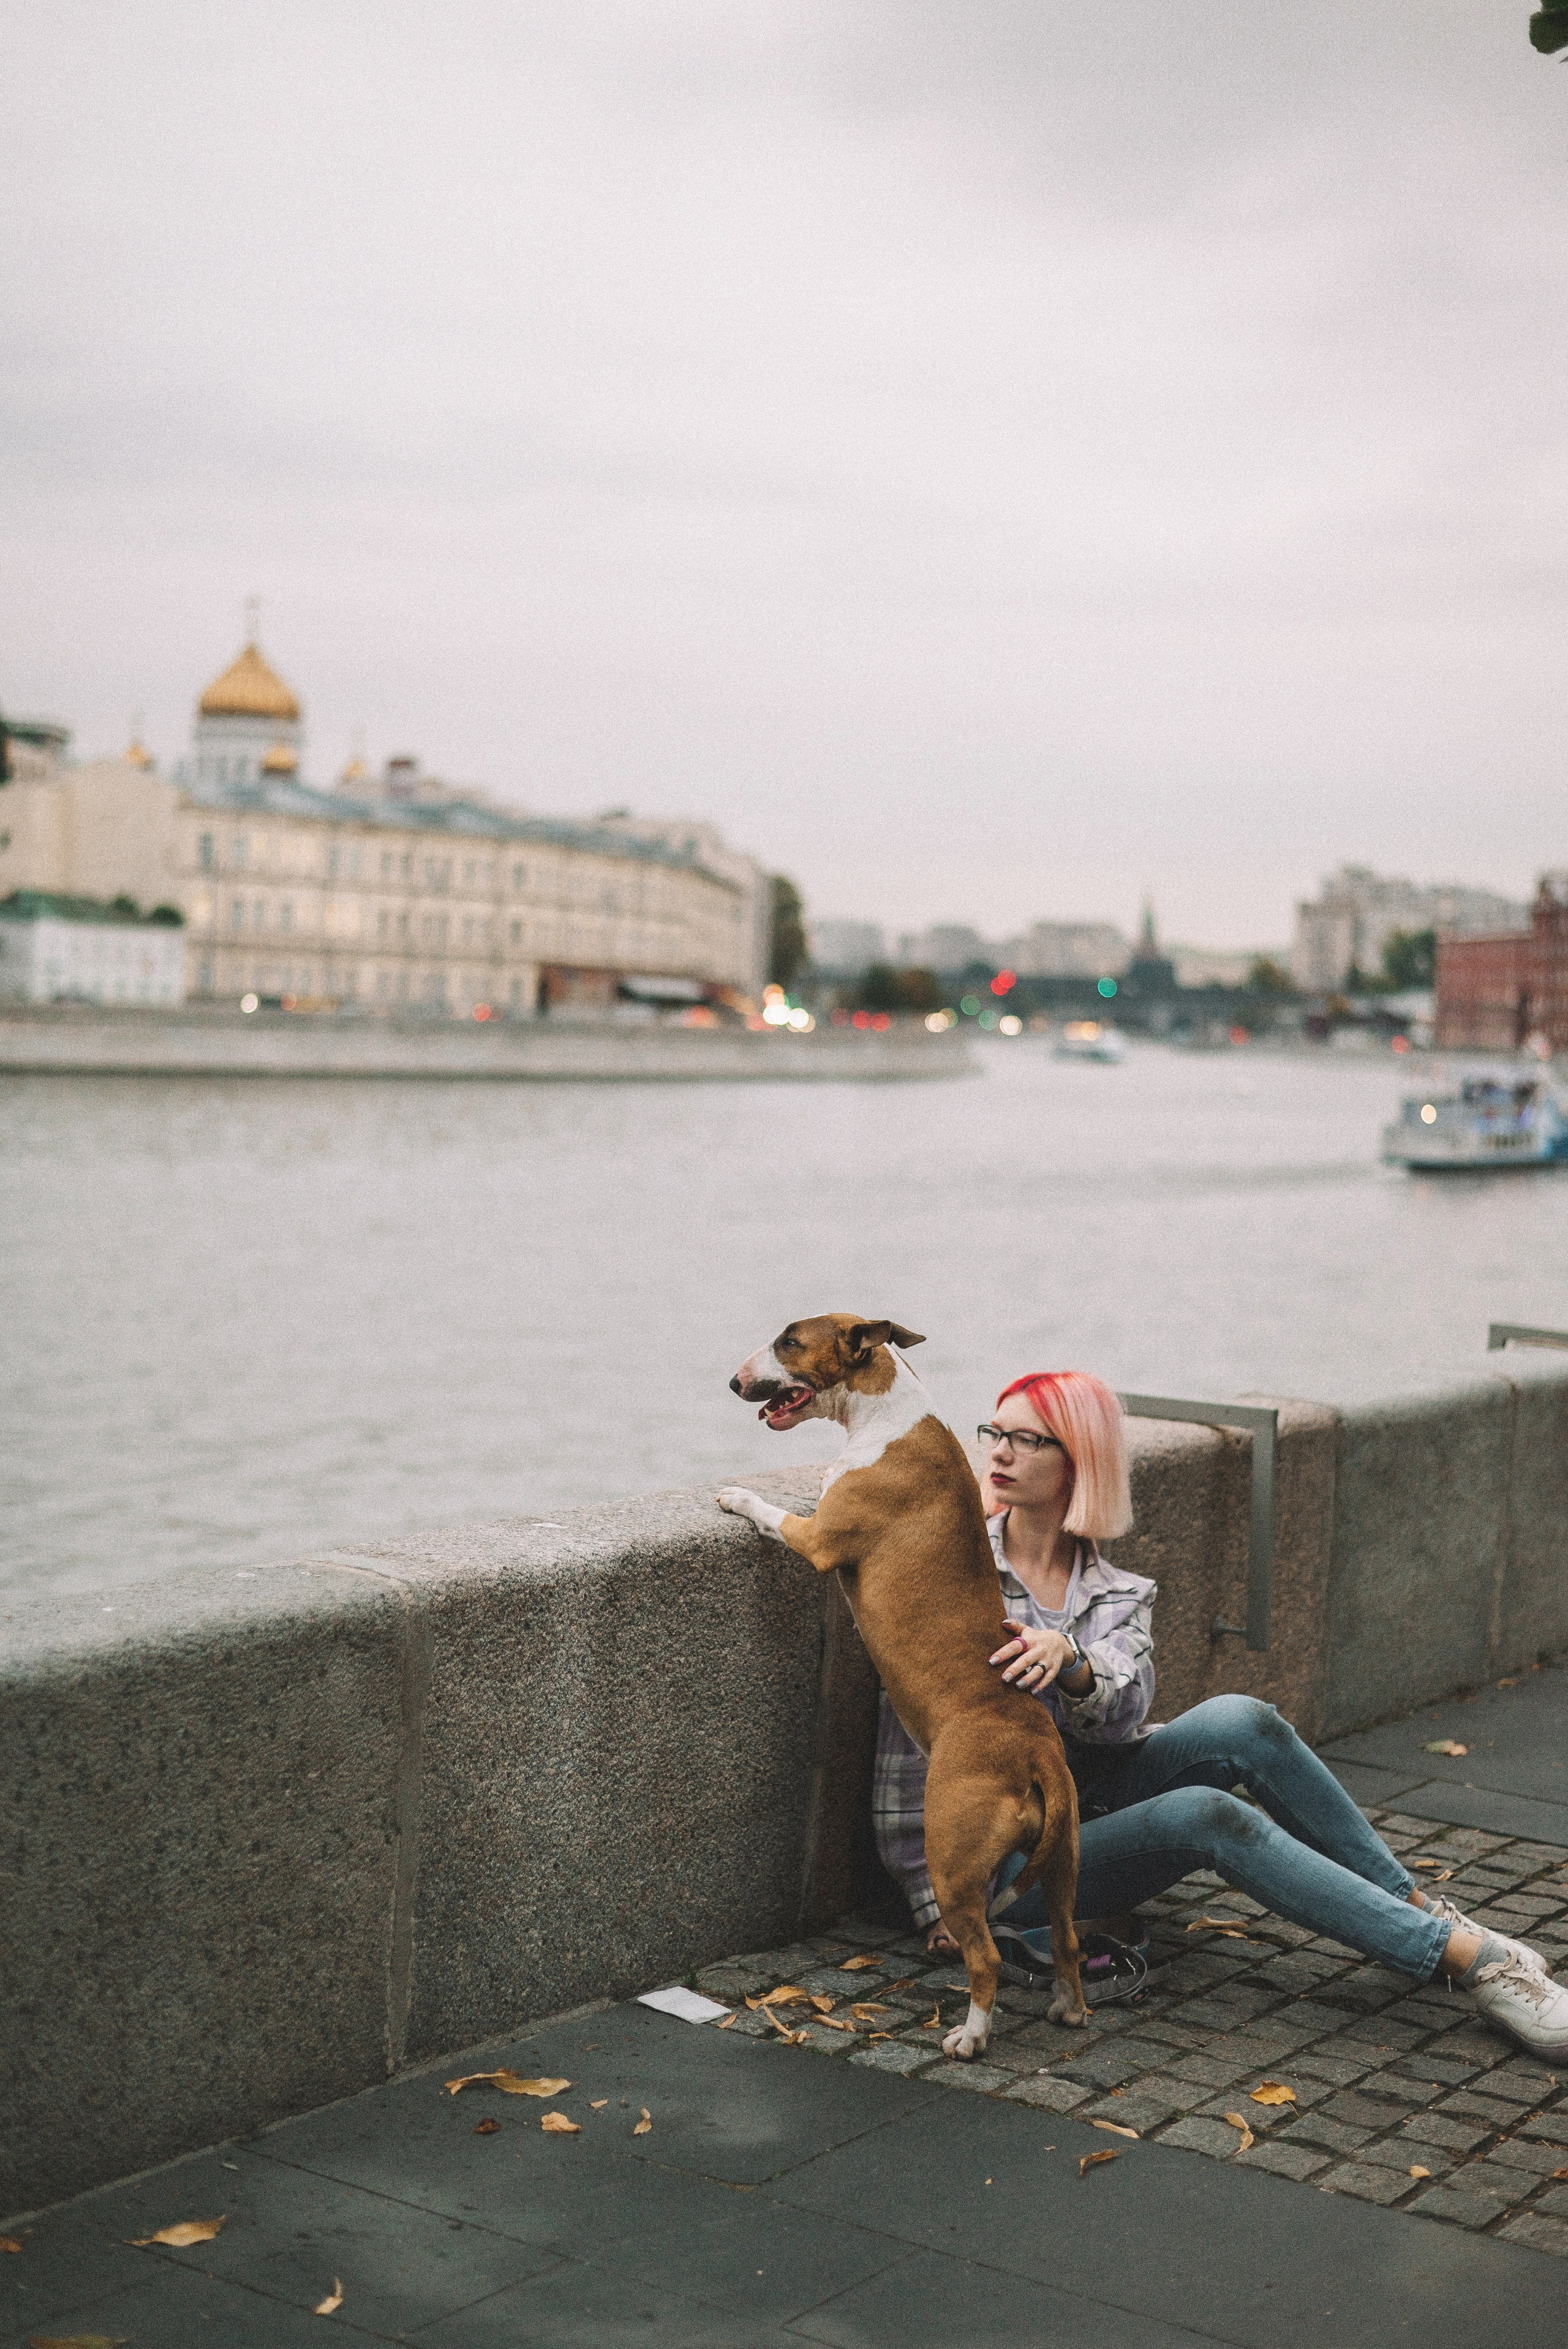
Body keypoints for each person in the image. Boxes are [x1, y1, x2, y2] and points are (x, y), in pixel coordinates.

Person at [872, 1368, 1568, 2058]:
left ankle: (1419, 1911)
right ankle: (1473, 1964)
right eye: (993, 1431)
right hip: (1015, 1862)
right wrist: (936, 1903)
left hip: (1091, 1803)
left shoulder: (1117, 1594)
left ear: (1078, 1462)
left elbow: (1118, 1726)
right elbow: (909, 1741)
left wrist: (1075, 1661)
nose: (996, 1451)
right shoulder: (954, 1574)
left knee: (1244, 1718)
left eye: (1026, 1439)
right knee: (1206, 1814)